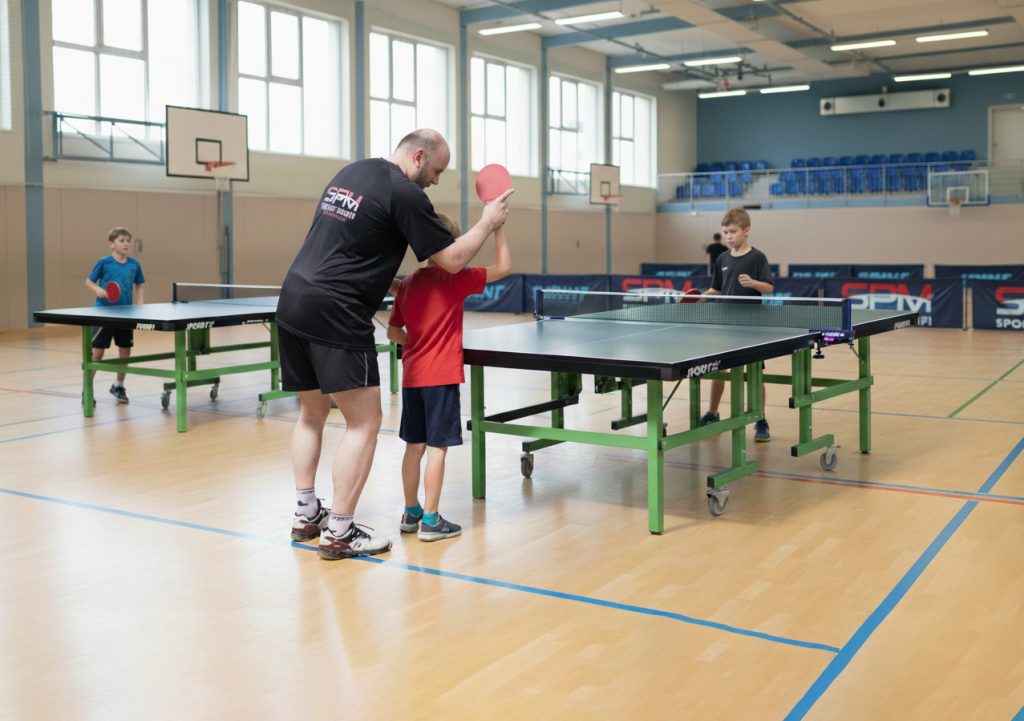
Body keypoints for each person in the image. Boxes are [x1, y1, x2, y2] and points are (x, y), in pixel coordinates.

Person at [277, 129, 511, 560]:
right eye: (437, 170)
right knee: (364, 422)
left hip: (293, 300)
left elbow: (346, 242)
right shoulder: (405, 192)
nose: (436, 181)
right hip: (336, 311)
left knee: (311, 413)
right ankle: (341, 532)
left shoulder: (353, 172)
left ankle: (306, 513)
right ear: (419, 156)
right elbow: (453, 260)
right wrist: (488, 221)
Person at [387, 214, 511, 542]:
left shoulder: (410, 282)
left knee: (414, 447)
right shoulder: (456, 278)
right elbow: (504, 268)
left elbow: (392, 332)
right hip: (440, 378)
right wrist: (497, 231)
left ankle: (411, 511)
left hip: (412, 376)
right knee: (438, 449)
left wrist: (416, 342)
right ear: (453, 245)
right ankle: (431, 520)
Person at [699, 208, 774, 442]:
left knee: (754, 374)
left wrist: (753, 283)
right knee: (718, 369)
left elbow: (769, 288)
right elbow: (717, 289)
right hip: (725, 323)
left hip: (751, 325)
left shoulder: (757, 257)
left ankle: (760, 419)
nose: (729, 236)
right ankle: (712, 413)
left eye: (733, 231)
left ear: (746, 231)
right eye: (725, 232)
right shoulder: (722, 258)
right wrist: (701, 296)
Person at [84, 226, 145, 404]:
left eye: (128, 240)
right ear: (112, 244)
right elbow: (88, 282)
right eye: (121, 240)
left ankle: (118, 385)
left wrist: (140, 302)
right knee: (97, 353)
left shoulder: (134, 264)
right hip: (104, 313)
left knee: (125, 350)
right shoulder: (104, 263)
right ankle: (87, 389)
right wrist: (98, 290)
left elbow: (140, 284)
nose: (126, 243)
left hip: (126, 314)